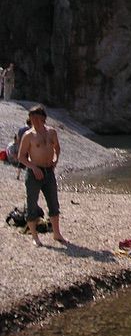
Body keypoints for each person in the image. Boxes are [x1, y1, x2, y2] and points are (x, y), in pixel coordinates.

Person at [17, 104, 66, 246]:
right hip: (34, 173)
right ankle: (35, 237)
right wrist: (33, 167)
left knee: (53, 203)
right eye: (32, 118)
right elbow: (21, 157)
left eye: (37, 118)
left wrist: (55, 160)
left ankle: (57, 234)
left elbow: (57, 148)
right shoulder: (28, 135)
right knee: (32, 203)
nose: (34, 120)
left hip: (48, 172)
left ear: (44, 118)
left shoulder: (52, 132)